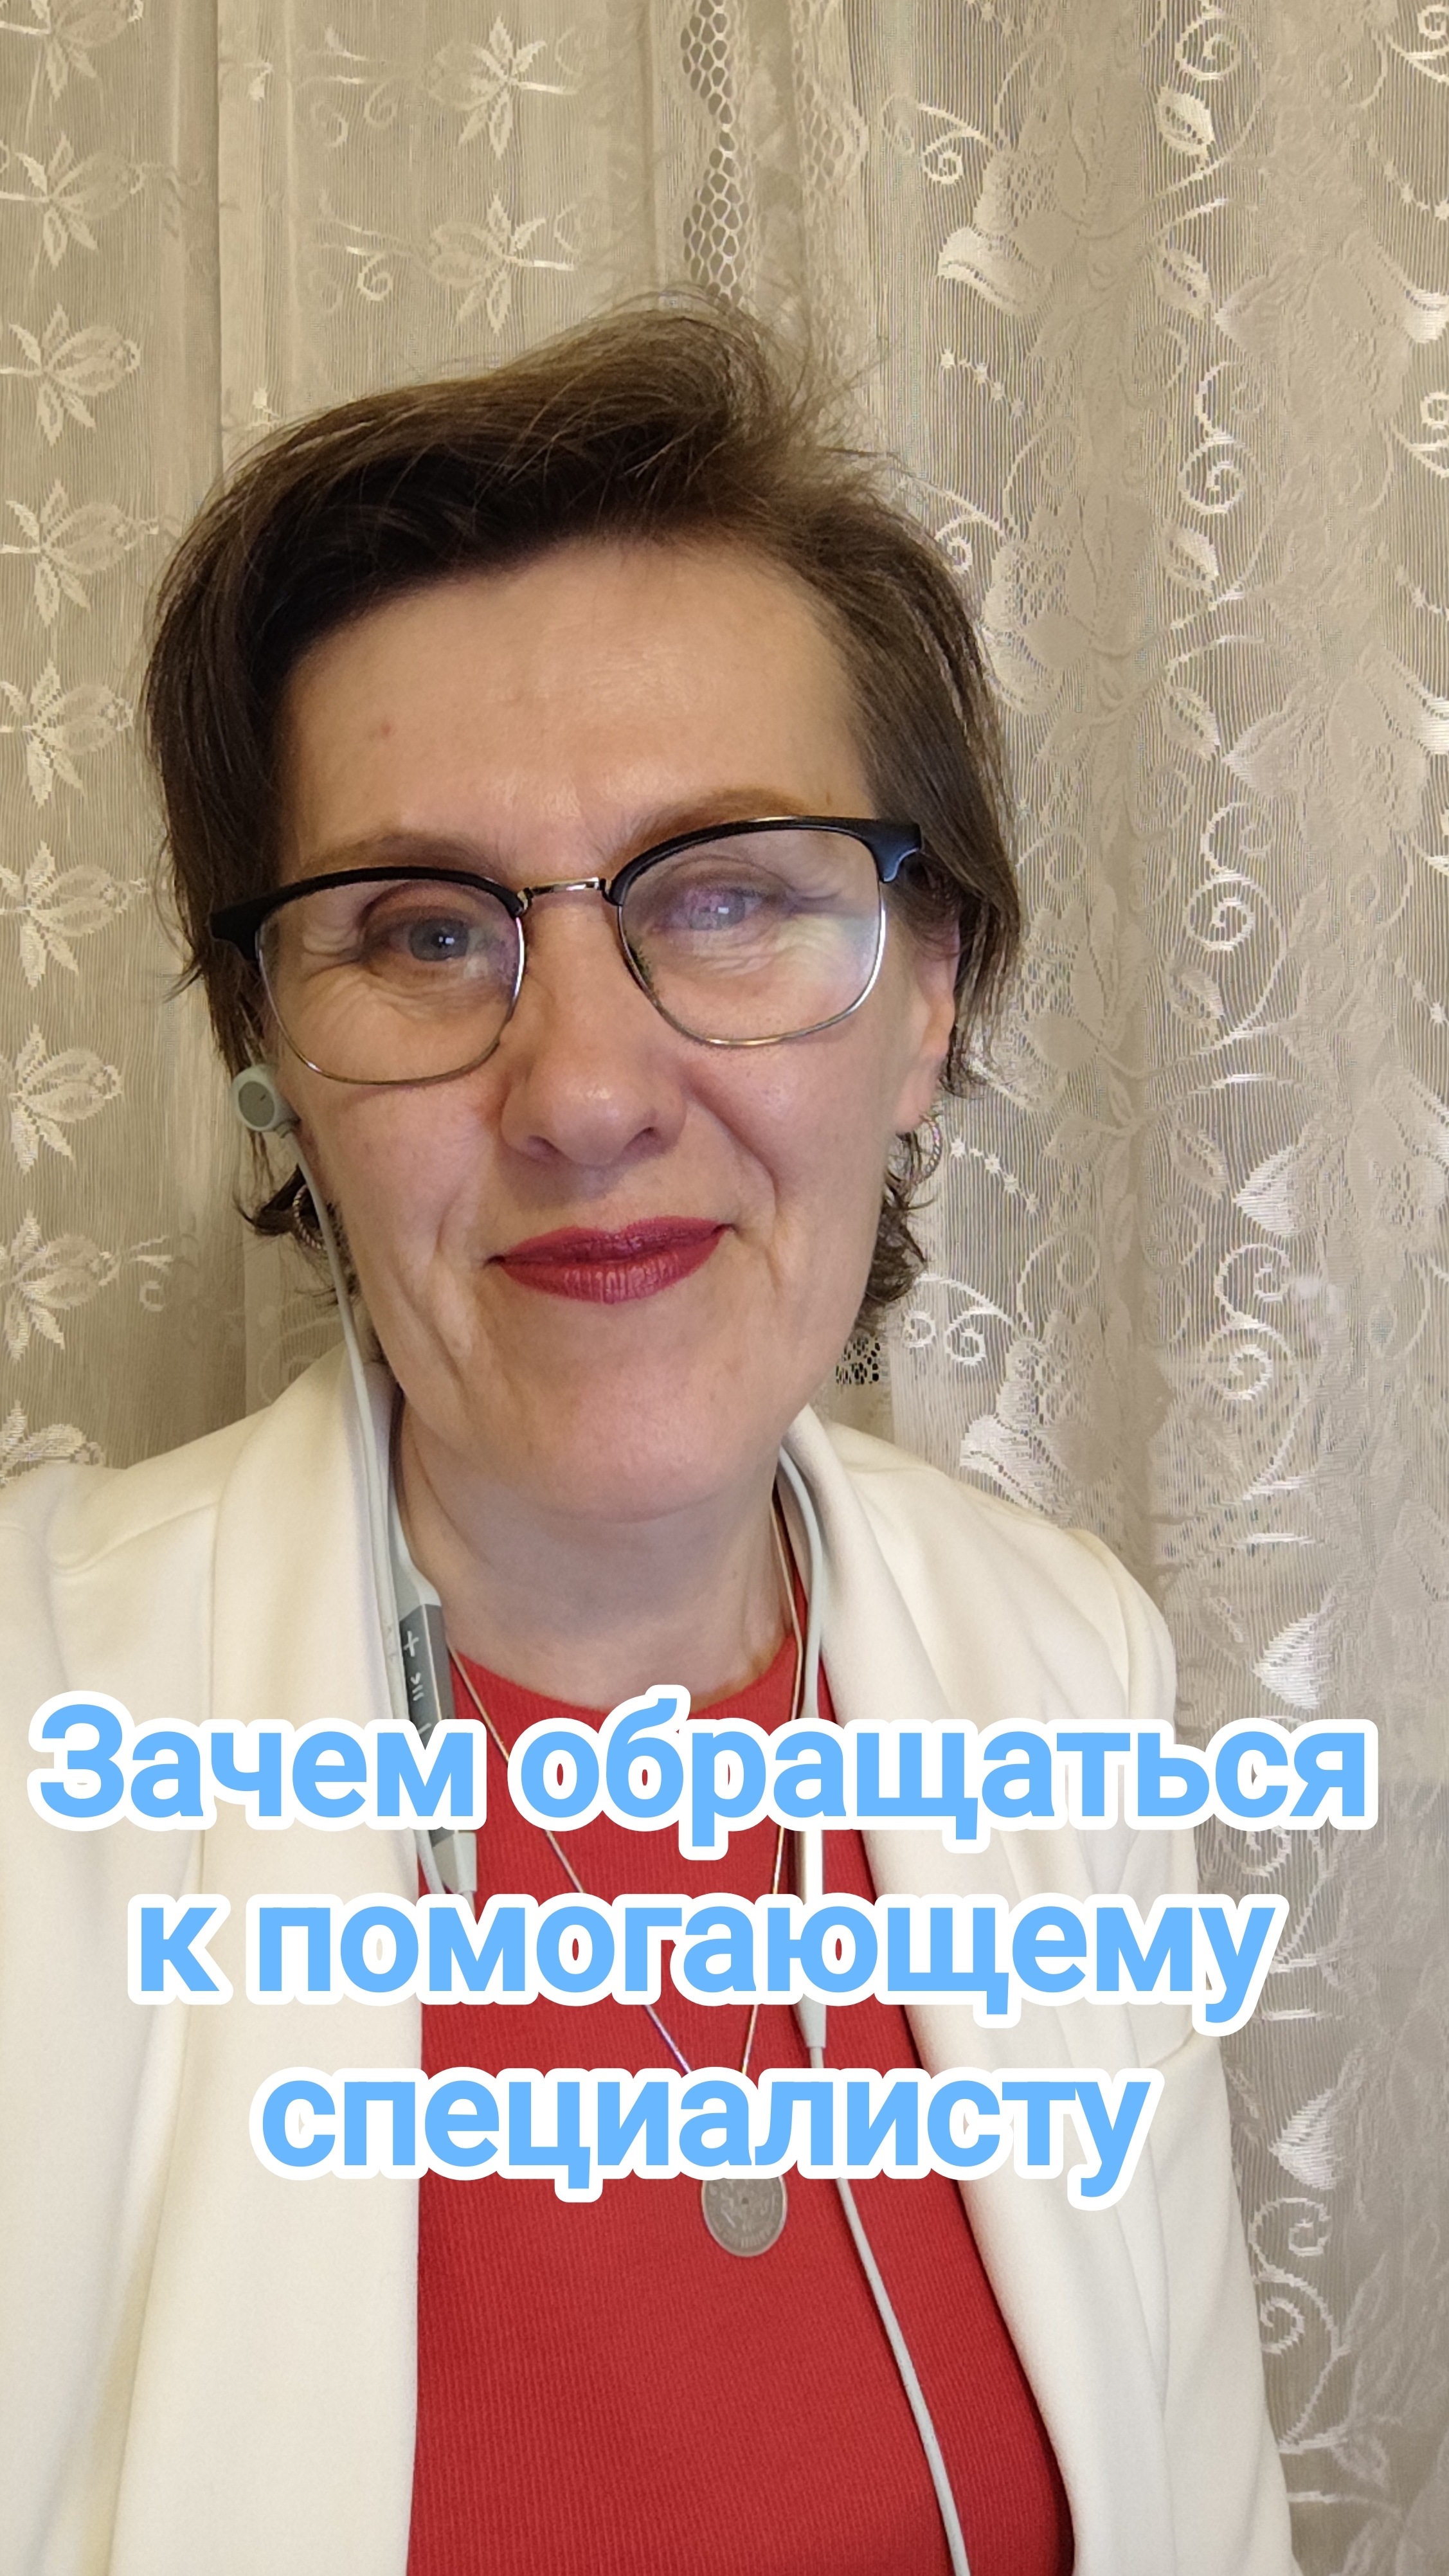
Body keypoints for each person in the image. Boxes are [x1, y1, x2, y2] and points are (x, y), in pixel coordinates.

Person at [0, 305, 1297, 2576]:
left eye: (726, 893)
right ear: (272, 1055)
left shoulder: (1063, 1666)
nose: (587, 1094)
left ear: (928, 996)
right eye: (422, 932)